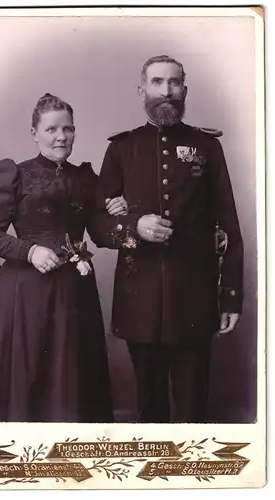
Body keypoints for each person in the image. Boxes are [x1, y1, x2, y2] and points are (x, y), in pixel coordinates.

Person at [89, 55, 244, 423]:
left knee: (193, 409)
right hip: (139, 300)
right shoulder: (122, 148)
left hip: (195, 297)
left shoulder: (206, 147)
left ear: (184, 90)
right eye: (158, 82)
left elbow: (230, 225)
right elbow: (96, 224)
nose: (167, 91)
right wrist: (134, 227)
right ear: (143, 90)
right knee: (149, 408)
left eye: (174, 83)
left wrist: (231, 296)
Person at [0, 93, 128, 422]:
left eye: (68, 129)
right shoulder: (16, 173)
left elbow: (99, 233)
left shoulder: (86, 178)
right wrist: (30, 250)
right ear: (34, 132)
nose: (61, 137)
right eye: (52, 129)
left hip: (74, 294)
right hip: (25, 294)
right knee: (29, 374)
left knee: (70, 375)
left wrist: (122, 216)